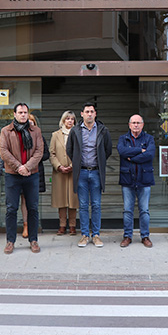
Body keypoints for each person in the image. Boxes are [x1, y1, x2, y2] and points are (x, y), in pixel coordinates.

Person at [0, 103, 44, 254]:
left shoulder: (36, 131)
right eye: (20, 112)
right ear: (14, 114)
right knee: (11, 208)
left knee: (33, 208)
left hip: (32, 175)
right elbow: (3, 151)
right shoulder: (6, 131)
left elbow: (39, 151)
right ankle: (10, 241)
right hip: (12, 175)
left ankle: (33, 240)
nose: (23, 115)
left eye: (25, 112)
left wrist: (27, 167)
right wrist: (19, 167)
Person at [66, 102, 112, 248]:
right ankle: (85, 235)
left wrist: (100, 162)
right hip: (82, 172)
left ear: (95, 114)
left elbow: (108, 149)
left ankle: (96, 235)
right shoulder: (75, 130)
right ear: (82, 114)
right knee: (83, 205)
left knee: (96, 205)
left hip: (96, 172)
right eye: (87, 112)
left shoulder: (103, 130)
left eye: (92, 111)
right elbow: (69, 149)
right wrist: (77, 162)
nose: (89, 114)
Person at [118, 114, 156, 248]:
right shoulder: (123, 139)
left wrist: (132, 158)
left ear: (142, 125)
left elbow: (150, 154)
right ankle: (127, 236)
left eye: (138, 123)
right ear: (129, 125)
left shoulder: (149, 138)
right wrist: (140, 150)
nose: (136, 125)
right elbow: (122, 151)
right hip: (127, 179)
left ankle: (145, 236)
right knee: (127, 210)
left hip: (144, 179)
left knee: (144, 210)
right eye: (133, 123)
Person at [49, 110, 78, 235]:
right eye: (67, 119)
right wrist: (59, 166)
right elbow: (52, 153)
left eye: (72, 119)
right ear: (63, 120)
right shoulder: (55, 135)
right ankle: (62, 225)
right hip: (59, 172)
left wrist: (72, 166)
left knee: (73, 199)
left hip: (73, 171)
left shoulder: (78, 134)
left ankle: (72, 225)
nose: (69, 121)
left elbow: (80, 153)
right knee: (61, 200)